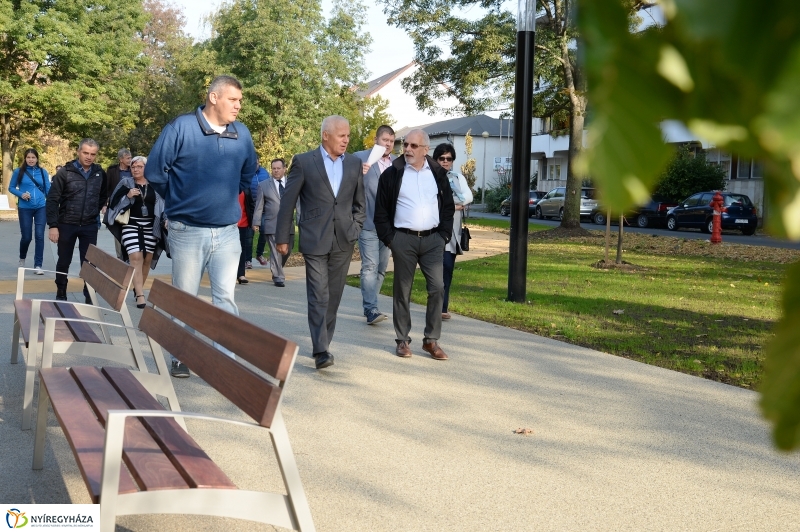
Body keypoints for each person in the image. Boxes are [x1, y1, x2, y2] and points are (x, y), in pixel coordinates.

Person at [146, 75, 257, 377]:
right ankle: (181, 355)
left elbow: (249, 173)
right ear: (213, 97)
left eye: (239, 101)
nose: (238, 106)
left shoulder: (242, 134)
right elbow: (155, 172)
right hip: (186, 231)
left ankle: (224, 359)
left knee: (225, 298)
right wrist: (179, 200)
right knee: (185, 297)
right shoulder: (181, 128)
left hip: (227, 231)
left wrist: (225, 199)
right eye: (233, 100)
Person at [275, 115, 365, 370]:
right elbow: (288, 202)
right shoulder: (304, 162)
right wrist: (283, 237)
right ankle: (321, 349)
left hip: (344, 239)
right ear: (326, 135)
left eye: (348, 135)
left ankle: (325, 341)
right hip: (315, 238)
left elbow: (360, 204)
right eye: (341, 135)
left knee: (334, 296)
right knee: (318, 294)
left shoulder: (354, 164)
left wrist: (355, 227)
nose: (346, 140)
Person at [374, 129, 454, 361]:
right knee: (402, 291)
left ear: (425, 150)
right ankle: (402, 340)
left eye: (413, 146)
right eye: (405, 144)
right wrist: (391, 240)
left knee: (437, 288)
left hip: (433, 240)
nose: (407, 149)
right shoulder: (392, 174)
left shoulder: (438, 174)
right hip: (403, 239)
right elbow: (380, 212)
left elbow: (447, 207)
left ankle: (431, 340)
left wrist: (443, 236)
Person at [46, 139, 108, 303]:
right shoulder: (65, 172)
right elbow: (52, 200)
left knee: (89, 263)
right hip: (66, 224)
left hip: (89, 226)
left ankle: (89, 294)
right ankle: (61, 291)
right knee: (64, 260)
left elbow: (103, 195)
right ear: (78, 152)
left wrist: (94, 210)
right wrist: (53, 226)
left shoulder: (100, 173)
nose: (89, 157)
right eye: (85, 153)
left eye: (92, 154)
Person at [104, 156, 167, 309]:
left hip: (151, 227)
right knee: (136, 256)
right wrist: (128, 197)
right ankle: (140, 294)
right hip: (130, 225)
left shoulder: (156, 185)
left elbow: (165, 205)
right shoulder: (125, 183)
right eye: (133, 167)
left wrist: (166, 219)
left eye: (139, 166)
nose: (136, 169)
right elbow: (113, 204)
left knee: (147, 259)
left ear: (147, 168)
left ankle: (138, 287)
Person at [353, 125, 395, 325]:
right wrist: (357, 174)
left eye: (392, 141)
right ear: (376, 140)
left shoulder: (397, 163)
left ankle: (372, 305)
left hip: (389, 226)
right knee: (369, 266)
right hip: (368, 221)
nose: (388, 144)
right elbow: (345, 183)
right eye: (385, 140)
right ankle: (371, 309)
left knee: (380, 269)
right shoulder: (360, 157)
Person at [432, 143, 473, 320]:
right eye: (442, 158)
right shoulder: (428, 176)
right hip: (432, 232)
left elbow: (468, 197)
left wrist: (455, 205)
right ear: (436, 159)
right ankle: (434, 304)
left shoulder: (457, 178)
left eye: (449, 159)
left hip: (452, 233)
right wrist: (452, 205)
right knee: (434, 270)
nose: (445, 162)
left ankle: (442, 307)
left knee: (447, 267)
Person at [253, 158, 294, 287]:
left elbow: (298, 202)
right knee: (276, 251)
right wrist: (256, 222)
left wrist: (302, 219)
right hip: (272, 223)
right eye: (274, 168)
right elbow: (259, 206)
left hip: (288, 224)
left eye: (278, 168)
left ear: (284, 169)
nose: (276, 171)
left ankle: (277, 268)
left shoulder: (292, 184)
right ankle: (278, 276)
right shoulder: (264, 185)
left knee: (287, 250)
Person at [10, 148, 51, 275]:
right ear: (25, 158)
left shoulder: (43, 172)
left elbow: (48, 189)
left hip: (41, 207)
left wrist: (50, 201)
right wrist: (21, 194)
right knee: (27, 237)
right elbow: (11, 187)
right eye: (28, 157)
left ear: (37, 159)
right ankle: (22, 259)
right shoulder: (19, 171)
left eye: (33, 157)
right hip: (25, 208)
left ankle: (38, 265)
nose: (31, 160)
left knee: (39, 235)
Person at [106, 149, 133, 259]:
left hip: (131, 205)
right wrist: (105, 204)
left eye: (131, 158)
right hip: (117, 206)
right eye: (128, 158)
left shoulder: (134, 170)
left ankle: (130, 257)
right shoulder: (112, 171)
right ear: (121, 159)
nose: (130, 160)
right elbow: (107, 188)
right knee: (118, 231)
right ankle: (120, 258)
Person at [250, 159, 271, 267]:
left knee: (264, 231)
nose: (255, 165)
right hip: (250, 207)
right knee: (249, 235)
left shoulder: (264, 173)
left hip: (263, 208)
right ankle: (247, 259)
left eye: (256, 163)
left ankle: (259, 254)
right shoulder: (246, 172)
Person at [236, 188, 255, 284]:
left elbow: (251, 205)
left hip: (242, 224)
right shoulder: (226, 183)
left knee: (241, 249)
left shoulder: (246, 188)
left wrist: (253, 222)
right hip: (227, 224)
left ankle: (241, 274)